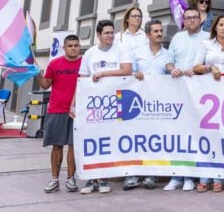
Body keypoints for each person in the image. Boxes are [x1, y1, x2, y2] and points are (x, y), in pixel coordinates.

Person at [76, 20, 132, 195]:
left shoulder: (121, 48)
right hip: (94, 103)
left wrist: (103, 73)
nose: (110, 36)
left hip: (115, 101)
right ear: (98, 35)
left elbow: (127, 70)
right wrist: (74, 103)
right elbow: (82, 80)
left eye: (112, 32)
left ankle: (104, 178)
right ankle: (91, 178)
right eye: (106, 33)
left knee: (109, 139)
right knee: (93, 139)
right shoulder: (90, 53)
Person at [164, 8, 208, 191]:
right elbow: (168, 60)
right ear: (184, 20)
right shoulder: (177, 38)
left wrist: (198, 70)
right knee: (177, 132)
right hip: (177, 89)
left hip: (198, 90)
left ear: (200, 19)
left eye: (195, 17)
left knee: (193, 132)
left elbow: (209, 63)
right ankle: (176, 176)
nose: (191, 20)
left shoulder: (207, 38)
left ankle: (189, 176)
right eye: (188, 18)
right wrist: (171, 68)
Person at [192, 15, 224, 193]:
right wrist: (210, 67)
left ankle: (219, 177)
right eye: (221, 25)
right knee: (207, 134)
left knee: (223, 134)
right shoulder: (206, 44)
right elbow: (196, 66)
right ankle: (204, 177)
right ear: (215, 27)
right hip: (208, 94)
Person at [126, 20, 172, 191]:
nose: (159, 34)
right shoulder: (137, 52)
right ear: (147, 34)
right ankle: (132, 175)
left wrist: (172, 69)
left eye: (160, 31)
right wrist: (135, 73)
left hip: (158, 104)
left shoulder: (167, 54)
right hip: (138, 103)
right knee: (136, 138)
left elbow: (170, 69)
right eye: (155, 31)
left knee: (155, 139)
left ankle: (151, 174)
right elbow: (128, 73)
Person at [38, 35, 81, 194]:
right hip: (56, 109)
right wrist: (37, 74)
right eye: (70, 45)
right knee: (57, 145)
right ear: (64, 48)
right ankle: (54, 179)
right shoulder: (54, 63)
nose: (73, 48)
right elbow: (45, 85)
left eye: (76, 45)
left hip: (77, 110)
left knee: (73, 145)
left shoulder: (85, 63)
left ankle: (71, 179)